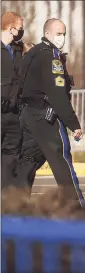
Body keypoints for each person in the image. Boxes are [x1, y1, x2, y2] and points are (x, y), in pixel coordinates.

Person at [12, 18, 85, 207]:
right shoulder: (51, 56)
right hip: (46, 118)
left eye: (64, 34)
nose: (61, 38)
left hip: (28, 116)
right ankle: (77, 210)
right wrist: (73, 123)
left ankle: (14, 208)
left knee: (28, 162)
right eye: (58, 34)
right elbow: (57, 95)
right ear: (47, 33)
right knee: (63, 164)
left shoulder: (32, 53)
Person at [1, 12, 25, 189]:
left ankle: (6, 202)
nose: (22, 31)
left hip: (14, 114)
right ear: (11, 28)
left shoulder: (18, 50)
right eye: (20, 27)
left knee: (12, 157)